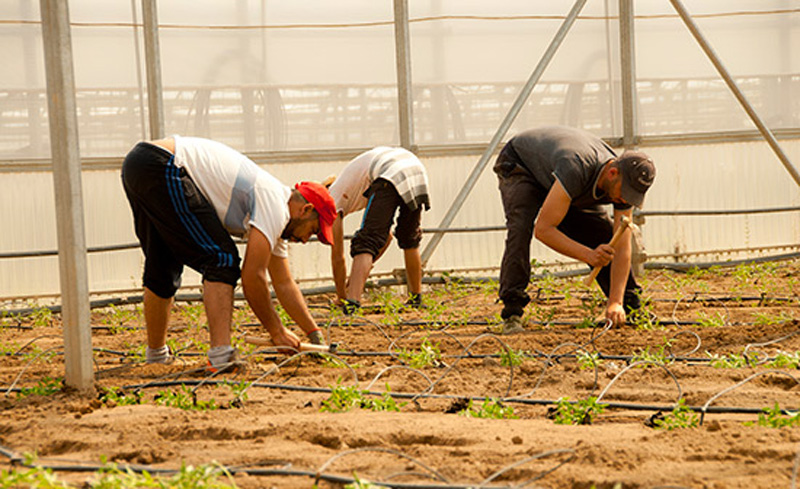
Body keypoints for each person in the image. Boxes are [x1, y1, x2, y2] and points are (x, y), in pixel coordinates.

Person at [121, 136, 337, 370]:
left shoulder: (277, 214)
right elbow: (253, 276)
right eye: (313, 231)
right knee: (221, 259)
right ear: (306, 210)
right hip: (165, 164)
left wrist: (313, 333)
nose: (306, 240)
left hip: (139, 163)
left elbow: (284, 283)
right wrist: (277, 331)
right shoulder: (275, 204)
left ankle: (156, 356)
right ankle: (221, 356)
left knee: (163, 262)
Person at [494, 126, 656, 333]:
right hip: (521, 164)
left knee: (604, 236)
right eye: (625, 193)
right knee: (521, 227)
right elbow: (543, 230)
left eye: (632, 196)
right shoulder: (576, 168)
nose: (625, 199)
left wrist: (615, 301)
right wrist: (589, 255)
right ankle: (512, 310)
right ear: (612, 173)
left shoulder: (624, 181)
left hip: (560, 173)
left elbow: (622, 246)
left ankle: (629, 305)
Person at [327, 146, 431, 314]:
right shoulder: (350, 185)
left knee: (366, 241)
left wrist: (341, 296)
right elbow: (387, 237)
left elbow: (338, 258)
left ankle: (351, 304)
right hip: (416, 169)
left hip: (389, 173)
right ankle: (416, 299)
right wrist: (360, 272)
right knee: (409, 238)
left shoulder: (330, 202)